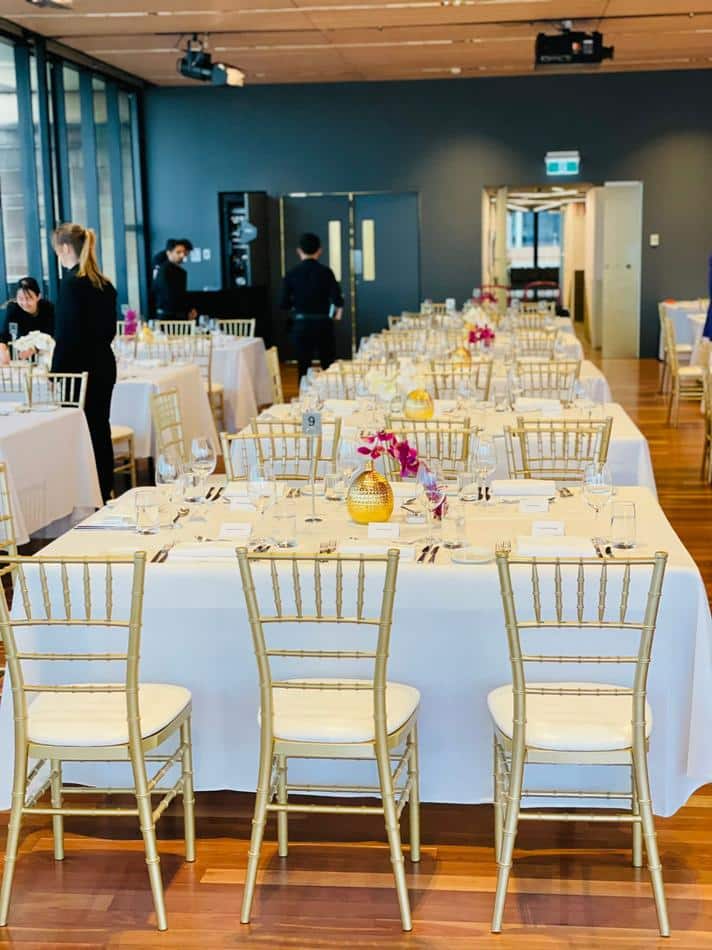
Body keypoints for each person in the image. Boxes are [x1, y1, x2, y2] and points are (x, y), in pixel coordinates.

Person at [52, 223, 117, 503]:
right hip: (103, 363)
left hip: (78, 371)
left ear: (65, 248)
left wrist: (56, 374)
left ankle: (84, 495)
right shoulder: (104, 283)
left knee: (79, 433)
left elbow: (65, 336)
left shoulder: (70, 285)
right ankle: (104, 488)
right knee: (100, 428)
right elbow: (108, 331)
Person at [280, 232, 344, 379]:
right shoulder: (326, 272)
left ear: (299, 251)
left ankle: (304, 397)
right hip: (323, 324)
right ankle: (331, 396)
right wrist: (337, 314)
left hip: (301, 324)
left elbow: (284, 304)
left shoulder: (291, 274)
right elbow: (337, 300)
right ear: (320, 250)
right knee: (328, 365)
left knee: (303, 366)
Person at [0, 277, 54, 363]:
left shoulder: (48, 308)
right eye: (20, 299)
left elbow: (52, 336)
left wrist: (34, 349)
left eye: (28, 298)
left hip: (44, 355)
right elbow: (4, 336)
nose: (24, 303)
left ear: (38, 296)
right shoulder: (13, 309)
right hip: (20, 357)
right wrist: (2, 351)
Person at [151, 238, 196, 320]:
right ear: (169, 253)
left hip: (176, 314)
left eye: (184, 252)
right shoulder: (164, 270)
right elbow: (169, 296)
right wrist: (187, 311)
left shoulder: (180, 271)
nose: (182, 255)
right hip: (169, 316)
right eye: (178, 252)